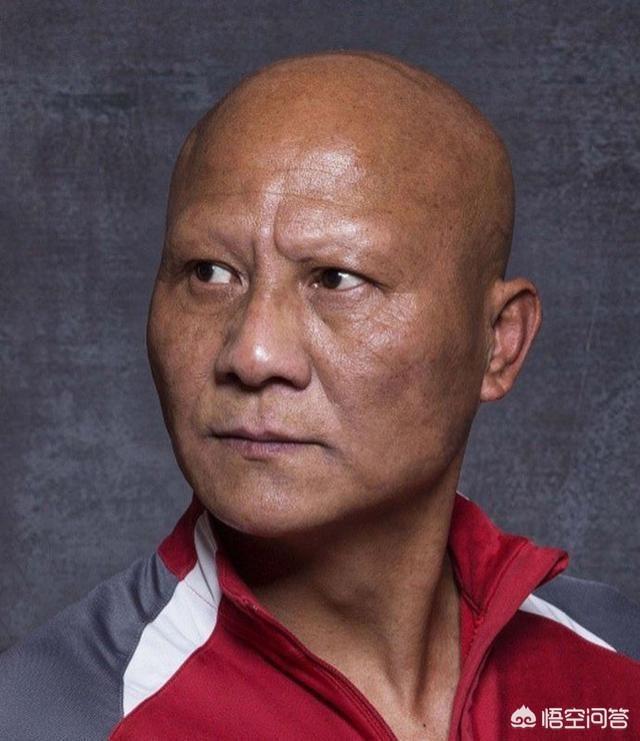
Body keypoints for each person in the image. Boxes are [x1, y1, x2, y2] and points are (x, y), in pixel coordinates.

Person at [1, 50, 639, 741]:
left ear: (498, 342)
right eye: (209, 272)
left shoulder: (616, 661)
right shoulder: (52, 717)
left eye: (336, 279)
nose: (252, 355)